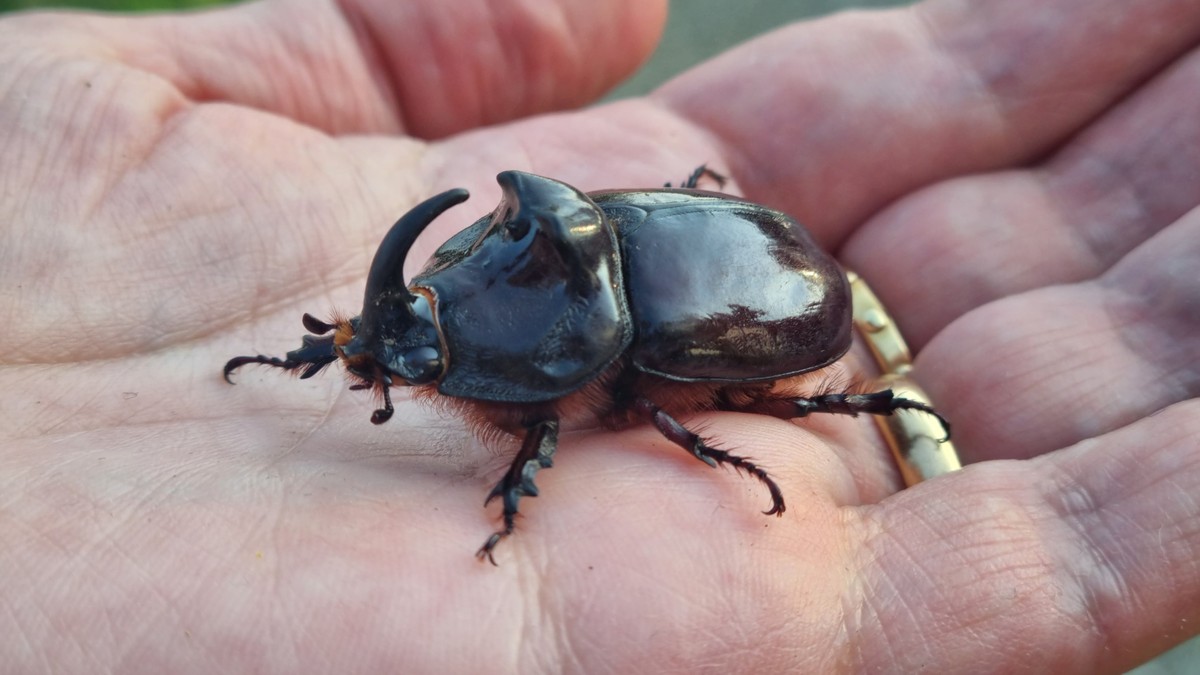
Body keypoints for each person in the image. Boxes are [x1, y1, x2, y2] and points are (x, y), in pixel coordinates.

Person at [1, 0, 1196, 671]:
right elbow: (444, 328)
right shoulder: (510, 257)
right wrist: (343, 341)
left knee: (684, 406)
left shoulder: (593, 360)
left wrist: (838, 400)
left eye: (402, 339)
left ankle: (853, 405)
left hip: (770, 312)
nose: (405, 342)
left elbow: (565, 420)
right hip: (736, 248)